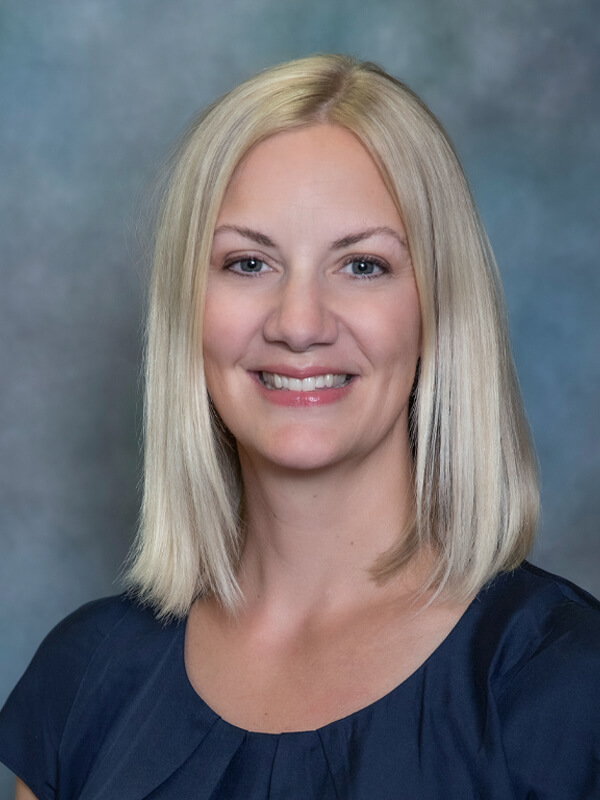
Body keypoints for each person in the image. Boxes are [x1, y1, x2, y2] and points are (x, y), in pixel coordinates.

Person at [1, 54, 599, 799]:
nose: (299, 323)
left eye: (363, 266)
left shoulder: (564, 684)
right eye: (249, 263)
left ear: (438, 308)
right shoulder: (86, 679)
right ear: (188, 309)